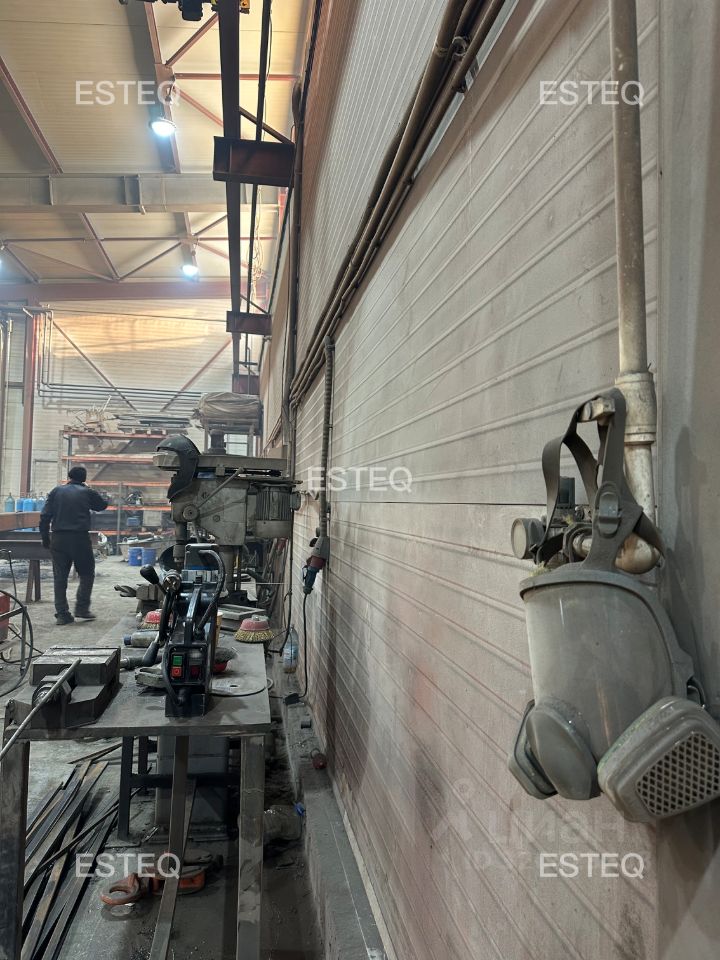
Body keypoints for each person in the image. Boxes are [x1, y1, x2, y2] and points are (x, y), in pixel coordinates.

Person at [40, 467, 108, 625]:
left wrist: (45, 538)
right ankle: (82, 609)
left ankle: (62, 614)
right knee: (87, 574)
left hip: (59, 538)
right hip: (79, 539)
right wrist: (90, 490)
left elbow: (44, 516)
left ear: (69, 476)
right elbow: (102, 505)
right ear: (84, 479)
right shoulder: (87, 492)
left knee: (60, 577)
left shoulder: (56, 491)